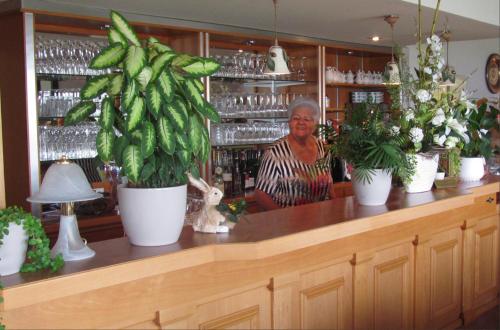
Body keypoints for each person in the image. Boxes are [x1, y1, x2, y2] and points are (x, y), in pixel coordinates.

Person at [255, 97, 335, 210]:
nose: (301, 122)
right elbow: (261, 195)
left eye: (307, 119)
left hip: (319, 218)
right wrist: (284, 217)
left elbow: (329, 183)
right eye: (296, 118)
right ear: (289, 122)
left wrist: (334, 206)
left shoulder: (323, 148)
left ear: (315, 124)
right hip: (287, 222)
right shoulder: (274, 153)